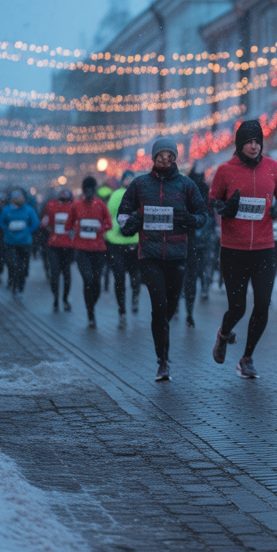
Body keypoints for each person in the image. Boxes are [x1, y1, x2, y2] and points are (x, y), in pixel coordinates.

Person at [117, 138, 209, 379]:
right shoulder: (140, 184)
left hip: (177, 256)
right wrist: (131, 223)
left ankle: (162, 331)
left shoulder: (186, 185)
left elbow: (203, 214)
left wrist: (192, 220)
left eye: (169, 157)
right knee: (159, 307)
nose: (165, 160)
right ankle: (163, 360)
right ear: (154, 158)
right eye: (161, 156)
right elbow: (123, 213)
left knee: (169, 307)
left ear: (175, 158)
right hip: (150, 254)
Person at [210, 120, 277, 379]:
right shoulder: (225, 170)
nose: (254, 146)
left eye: (257, 142)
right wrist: (225, 210)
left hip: (265, 248)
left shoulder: (273, 168)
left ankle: (247, 358)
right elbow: (212, 202)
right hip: (234, 249)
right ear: (239, 144)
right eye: (248, 142)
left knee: (263, 304)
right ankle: (224, 334)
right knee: (238, 307)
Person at [68, 176, 114, 328]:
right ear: (83, 190)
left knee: (96, 283)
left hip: (98, 250)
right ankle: (90, 313)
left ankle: (91, 305)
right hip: (81, 250)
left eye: (91, 189)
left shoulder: (100, 204)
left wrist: (99, 228)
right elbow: (68, 224)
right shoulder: (76, 205)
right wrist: (76, 228)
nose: (89, 192)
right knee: (88, 280)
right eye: (86, 189)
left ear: (94, 190)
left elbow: (109, 223)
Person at [105, 170, 143, 318]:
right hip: (131, 240)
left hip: (118, 240)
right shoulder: (138, 195)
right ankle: (133, 299)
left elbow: (109, 215)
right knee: (134, 275)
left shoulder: (116, 195)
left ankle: (122, 309)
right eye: (128, 179)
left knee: (120, 277)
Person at [182, 163, 214, 317]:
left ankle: (187, 290)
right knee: (202, 263)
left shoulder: (187, 187)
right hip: (202, 231)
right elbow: (210, 210)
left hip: (190, 234)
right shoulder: (205, 188)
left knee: (189, 266)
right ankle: (203, 287)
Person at [41, 187, 77, 311]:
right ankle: (57, 299)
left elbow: (76, 224)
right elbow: (44, 222)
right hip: (55, 246)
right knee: (56, 274)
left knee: (65, 274)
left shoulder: (73, 207)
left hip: (66, 247)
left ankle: (64, 299)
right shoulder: (51, 206)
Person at [0, 189, 39, 295]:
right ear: (13, 199)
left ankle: (21, 285)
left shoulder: (28, 210)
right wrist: (6, 230)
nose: (19, 199)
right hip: (10, 242)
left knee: (23, 266)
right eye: (17, 198)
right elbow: (1, 222)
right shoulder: (6, 210)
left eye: (21, 197)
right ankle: (14, 282)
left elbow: (35, 223)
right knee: (13, 264)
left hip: (25, 243)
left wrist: (28, 231)